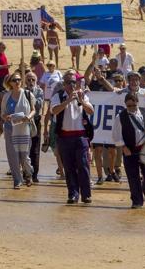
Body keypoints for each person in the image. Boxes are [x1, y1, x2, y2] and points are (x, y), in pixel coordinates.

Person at [50, 71, 94, 204]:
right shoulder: (58, 96)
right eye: (69, 82)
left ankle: (86, 194)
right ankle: (73, 194)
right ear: (64, 84)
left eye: (74, 82)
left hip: (81, 136)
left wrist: (81, 101)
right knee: (68, 167)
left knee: (83, 165)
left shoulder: (82, 95)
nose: (71, 85)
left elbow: (91, 111)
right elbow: (54, 111)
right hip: (65, 137)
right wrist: (67, 101)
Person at [112, 93, 145, 208]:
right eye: (128, 106)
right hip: (130, 150)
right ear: (125, 104)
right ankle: (137, 201)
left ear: (137, 103)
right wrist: (124, 147)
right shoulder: (120, 116)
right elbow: (116, 136)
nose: (131, 108)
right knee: (133, 177)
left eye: (133, 105)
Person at [1, 72, 36, 189]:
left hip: (24, 128)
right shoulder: (6, 96)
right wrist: (6, 117)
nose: (17, 82)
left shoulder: (27, 94)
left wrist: (29, 117)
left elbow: (33, 110)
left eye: (19, 80)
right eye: (14, 80)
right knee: (13, 156)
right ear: (10, 83)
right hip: (10, 129)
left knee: (24, 156)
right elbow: (2, 113)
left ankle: (28, 174)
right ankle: (17, 180)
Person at [25, 72, 44, 183]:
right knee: (25, 149)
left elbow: (38, 105)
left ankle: (35, 174)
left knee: (35, 149)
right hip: (25, 121)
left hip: (36, 121)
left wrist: (30, 95)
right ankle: (26, 173)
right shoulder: (22, 91)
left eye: (33, 80)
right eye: (28, 80)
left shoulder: (39, 91)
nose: (31, 82)